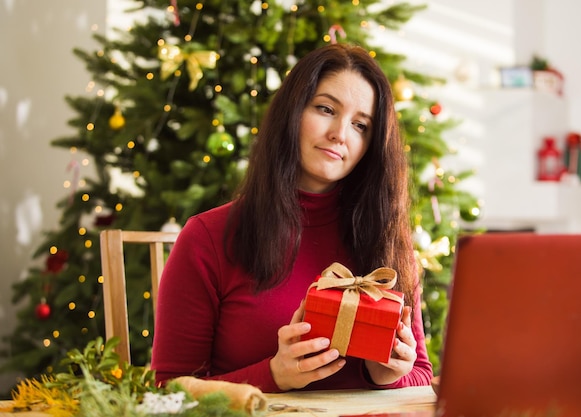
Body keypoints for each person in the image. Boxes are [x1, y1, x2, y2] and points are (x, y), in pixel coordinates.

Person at [151, 43, 433, 393]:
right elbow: (169, 391)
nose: (340, 134)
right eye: (326, 109)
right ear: (293, 112)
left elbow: (422, 374)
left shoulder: (388, 238)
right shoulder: (208, 237)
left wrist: (389, 374)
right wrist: (272, 376)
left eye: (361, 126)